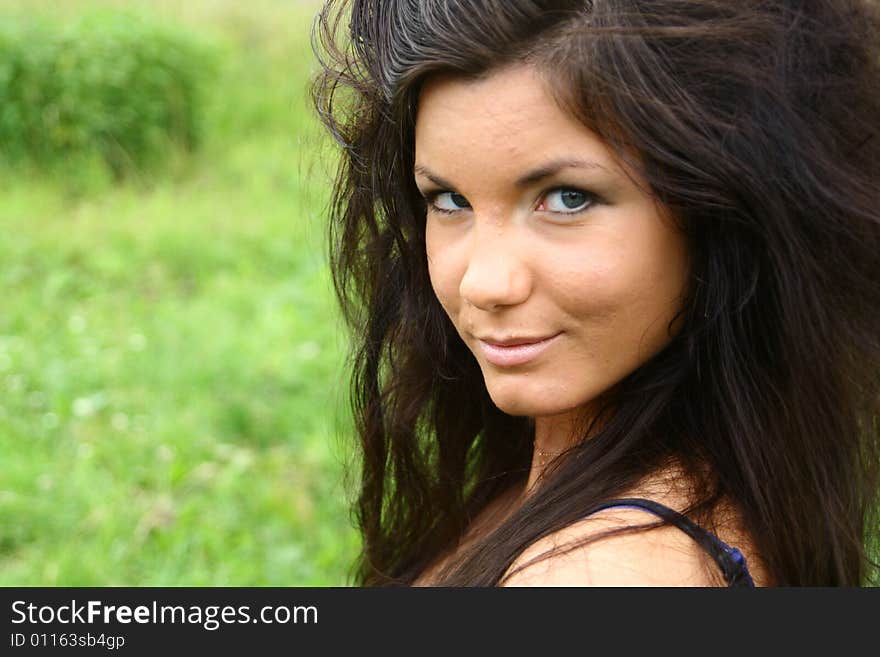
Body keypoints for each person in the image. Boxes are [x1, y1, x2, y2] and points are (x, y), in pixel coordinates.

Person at [310, 0, 880, 586]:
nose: (483, 283)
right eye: (449, 201)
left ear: (719, 208)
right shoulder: (597, 476)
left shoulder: (600, 574)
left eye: (567, 199)